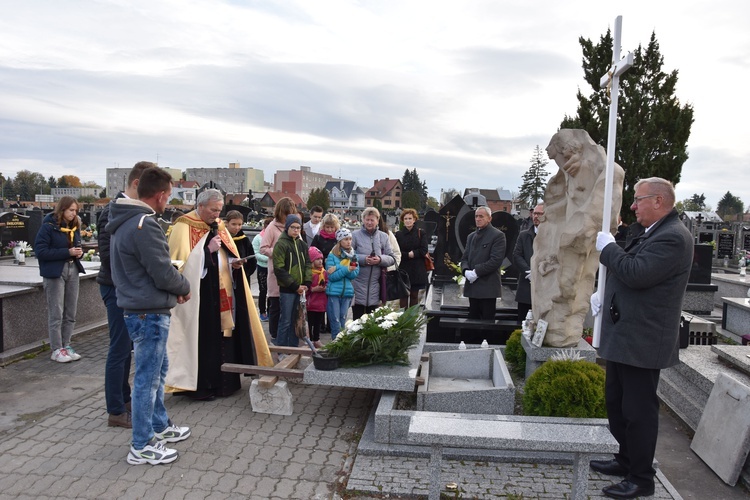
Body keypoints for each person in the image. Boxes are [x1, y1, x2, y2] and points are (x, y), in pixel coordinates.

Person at [590, 177, 693, 499]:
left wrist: (608, 249)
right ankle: (625, 459)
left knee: (638, 411)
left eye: (638, 199)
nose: (632, 206)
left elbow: (637, 274)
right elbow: (630, 268)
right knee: (618, 406)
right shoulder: (654, 232)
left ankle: (641, 478)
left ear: (659, 201)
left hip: (643, 339)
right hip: (626, 335)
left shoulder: (673, 237)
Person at [107, 166, 192, 465]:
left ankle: (159, 425)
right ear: (158, 196)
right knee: (148, 380)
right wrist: (182, 286)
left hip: (140, 308)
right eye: (168, 197)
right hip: (148, 312)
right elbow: (161, 271)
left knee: (157, 371)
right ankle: (141, 445)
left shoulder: (126, 221)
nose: (168, 202)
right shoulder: (144, 224)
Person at [167, 189, 272, 400]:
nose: (217, 214)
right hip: (200, 297)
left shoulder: (219, 226)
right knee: (204, 341)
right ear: (201, 206)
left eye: (219, 210)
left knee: (225, 338)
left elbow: (227, 254)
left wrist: (235, 263)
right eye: (214, 210)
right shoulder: (183, 226)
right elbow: (179, 265)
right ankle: (203, 388)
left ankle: (226, 385)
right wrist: (207, 252)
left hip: (224, 292)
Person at [97, 161, 151, 428]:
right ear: (137, 183)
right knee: (119, 349)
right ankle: (115, 411)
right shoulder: (112, 212)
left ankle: (125, 400)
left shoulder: (128, 211)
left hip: (125, 287)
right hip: (116, 287)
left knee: (126, 348)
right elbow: (110, 257)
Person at [35, 196, 85, 363]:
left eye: (76, 210)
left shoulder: (74, 226)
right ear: (62, 209)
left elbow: (76, 246)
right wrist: (67, 253)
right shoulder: (48, 227)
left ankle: (66, 344)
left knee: (71, 311)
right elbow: (41, 252)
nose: (74, 213)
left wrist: (79, 253)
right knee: (56, 312)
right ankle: (56, 349)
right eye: (71, 210)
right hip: (55, 272)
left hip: (73, 269)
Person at [260, 198, 298, 341]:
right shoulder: (272, 227)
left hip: (291, 275)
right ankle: (275, 335)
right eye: (285, 214)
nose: (287, 217)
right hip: (276, 274)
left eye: (290, 214)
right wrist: (279, 253)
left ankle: (288, 335)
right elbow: (263, 248)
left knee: (290, 308)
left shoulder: (294, 227)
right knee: (276, 306)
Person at [272, 214, 312, 347]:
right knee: (286, 321)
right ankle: (282, 348)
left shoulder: (302, 244)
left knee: (297, 320)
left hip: (301, 289)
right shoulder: (281, 244)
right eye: (293, 227)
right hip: (288, 289)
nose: (296, 230)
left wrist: (307, 282)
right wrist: (294, 285)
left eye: (298, 227)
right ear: (287, 227)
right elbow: (279, 269)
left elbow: (307, 264)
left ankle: (294, 348)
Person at [460, 206, 505, 320]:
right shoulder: (471, 237)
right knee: (472, 324)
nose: (478, 219)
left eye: (481, 216)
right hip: (472, 287)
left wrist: (476, 272)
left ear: (489, 218)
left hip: (487, 288)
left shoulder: (497, 235)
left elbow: (495, 260)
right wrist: (465, 271)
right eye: (476, 216)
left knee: (486, 324)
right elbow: (464, 258)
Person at [351, 207, 395, 319]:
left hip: (376, 285)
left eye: (372, 220)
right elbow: (347, 256)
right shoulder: (355, 235)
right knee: (357, 320)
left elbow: (391, 258)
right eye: (367, 219)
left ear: (377, 221)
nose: (369, 222)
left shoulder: (383, 236)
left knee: (372, 321)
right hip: (358, 283)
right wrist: (364, 259)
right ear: (363, 220)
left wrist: (380, 260)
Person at [512, 203, 544, 323]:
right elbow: (517, 255)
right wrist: (529, 272)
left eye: (540, 214)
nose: (536, 216)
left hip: (544, 287)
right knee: (523, 322)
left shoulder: (552, 237)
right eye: (535, 213)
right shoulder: (524, 235)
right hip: (526, 286)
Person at [326, 228, 360, 340]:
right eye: (346, 239)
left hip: (347, 293)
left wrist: (338, 268)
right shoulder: (332, 256)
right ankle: (335, 342)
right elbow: (332, 276)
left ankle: (341, 343)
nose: (349, 241)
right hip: (334, 293)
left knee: (343, 319)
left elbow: (354, 274)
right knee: (335, 320)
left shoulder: (353, 255)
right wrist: (346, 269)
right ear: (340, 241)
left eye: (350, 239)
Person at [395, 209, 429, 309]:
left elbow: (424, 250)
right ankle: (403, 319)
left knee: (414, 295)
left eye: (410, 218)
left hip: (417, 269)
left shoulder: (421, 233)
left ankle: (412, 319)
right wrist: (407, 255)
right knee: (403, 296)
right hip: (404, 269)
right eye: (405, 219)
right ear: (403, 220)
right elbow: (396, 251)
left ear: (414, 220)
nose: (408, 221)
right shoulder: (399, 235)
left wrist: (413, 254)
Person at [306, 246, 328, 348]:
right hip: (311, 303)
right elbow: (306, 287)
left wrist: (325, 287)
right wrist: (313, 289)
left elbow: (327, 282)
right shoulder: (309, 273)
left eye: (321, 259)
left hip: (321, 303)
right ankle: (309, 340)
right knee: (310, 323)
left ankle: (316, 339)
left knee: (318, 322)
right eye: (317, 259)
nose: (320, 261)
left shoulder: (324, 272)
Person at [225, 210, 257, 280]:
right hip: (224, 277)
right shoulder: (222, 239)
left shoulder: (244, 240)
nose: (237, 227)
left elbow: (252, 261)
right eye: (233, 224)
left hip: (241, 278)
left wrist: (245, 273)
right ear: (226, 223)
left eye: (239, 224)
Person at [253, 217, 273, 321]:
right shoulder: (258, 238)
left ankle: (271, 311)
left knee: (272, 291)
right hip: (262, 267)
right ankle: (262, 312)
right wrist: (269, 258)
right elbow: (256, 253)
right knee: (263, 290)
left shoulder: (275, 237)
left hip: (273, 268)